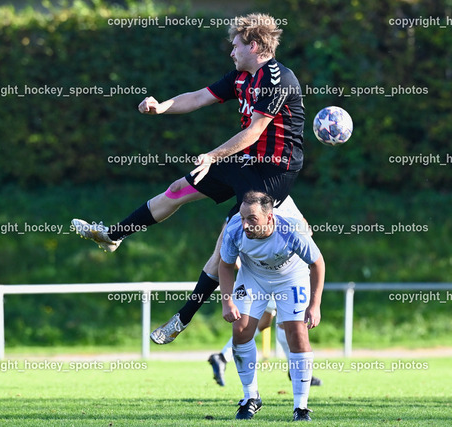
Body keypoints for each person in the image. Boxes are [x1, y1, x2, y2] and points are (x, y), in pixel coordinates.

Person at [71, 13, 305, 345]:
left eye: (235, 46)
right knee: (178, 189)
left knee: (224, 244)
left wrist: (212, 156)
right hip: (246, 161)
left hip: (275, 170)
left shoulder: (279, 79)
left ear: (253, 46)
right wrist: (161, 107)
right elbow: (198, 96)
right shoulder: (241, 76)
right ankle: (113, 235)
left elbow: (254, 133)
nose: (231, 52)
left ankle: (183, 317)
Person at [220, 191, 325, 422]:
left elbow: (317, 264)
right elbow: (225, 266)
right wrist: (227, 301)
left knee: (297, 333)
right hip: (253, 277)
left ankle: (301, 407)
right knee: (240, 330)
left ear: (269, 217)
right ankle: (250, 398)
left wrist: (315, 305)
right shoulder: (235, 229)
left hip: (291, 278)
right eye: (243, 217)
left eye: (252, 219)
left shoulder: (291, 231)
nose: (245, 224)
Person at [208, 297, 323, 387]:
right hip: (280, 276)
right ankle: (297, 370)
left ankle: (223, 356)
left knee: (265, 322)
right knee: (291, 321)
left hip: (273, 275)